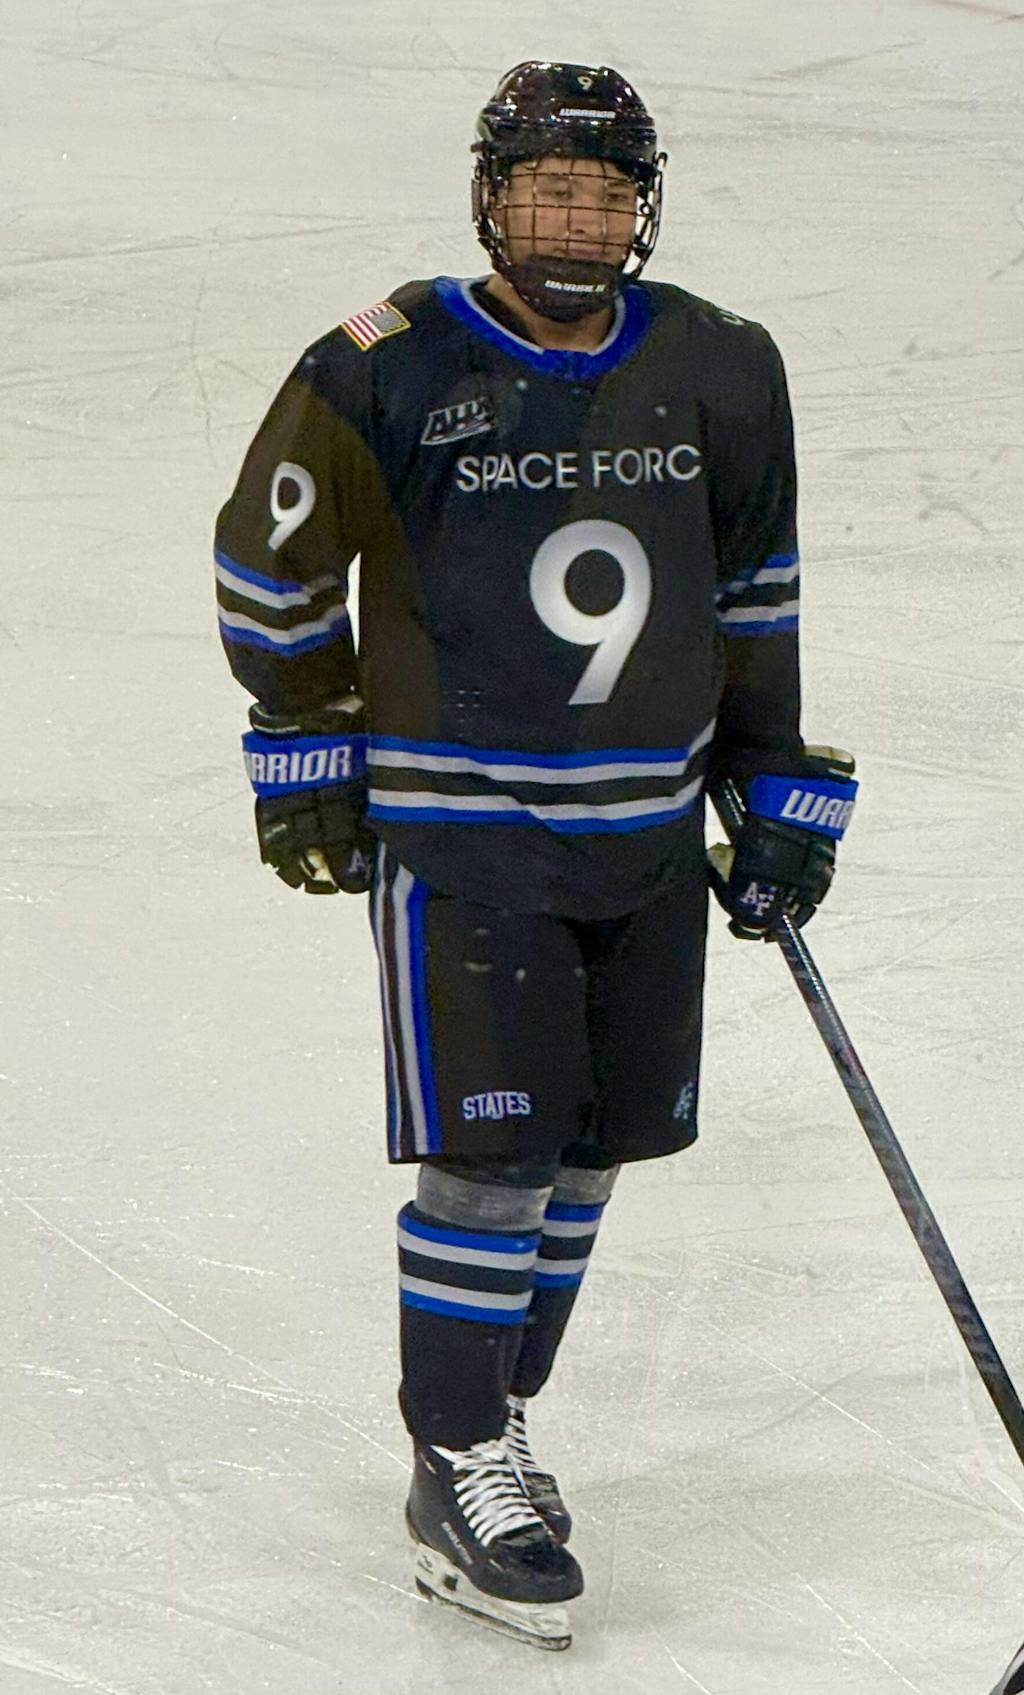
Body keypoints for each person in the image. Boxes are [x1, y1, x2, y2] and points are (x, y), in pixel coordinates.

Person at [213, 59, 857, 1650]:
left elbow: (756, 589)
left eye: (604, 193)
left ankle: (499, 1417)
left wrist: (775, 782)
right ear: (490, 196)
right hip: (465, 828)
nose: (574, 218)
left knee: (586, 1150)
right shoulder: (384, 360)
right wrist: (305, 740)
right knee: (493, 1153)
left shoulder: (722, 363)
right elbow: (269, 563)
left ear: (644, 209)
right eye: (546, 189)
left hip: (645, 838)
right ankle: (455, 1453)